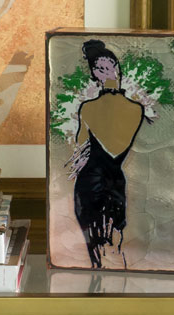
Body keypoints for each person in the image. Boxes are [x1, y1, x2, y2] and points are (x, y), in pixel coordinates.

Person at [67, 39, 145, 268]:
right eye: (101, 68)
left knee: (102, 243)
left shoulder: (89, 108)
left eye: (108, 66)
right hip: (106, 181)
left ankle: (99, 271)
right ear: (96, 74)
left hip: (97, 180)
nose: (107, 71)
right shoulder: (135, 109)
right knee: (108, 242)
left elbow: (80, 142)